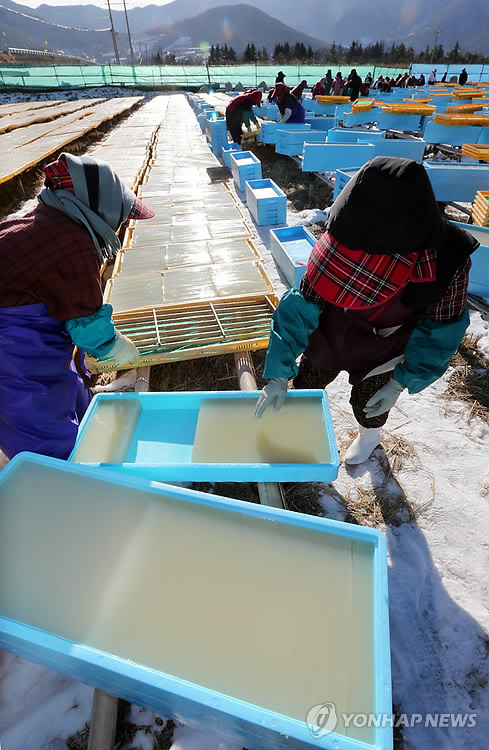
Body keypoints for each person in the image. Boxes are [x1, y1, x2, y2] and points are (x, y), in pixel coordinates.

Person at [254, 156, 477, 465]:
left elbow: (440, 332)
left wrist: (402, 381)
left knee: (371, 400)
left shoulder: (447, 262)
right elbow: (300, 306)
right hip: (333, 328)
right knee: (309, 378)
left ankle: (369, 436)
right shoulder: (347, 227)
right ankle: (297, 425)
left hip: (386, 343)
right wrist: (278, 373)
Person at [0, 152, 155, 460]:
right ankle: (65, 489)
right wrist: (116, 347)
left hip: (28, 335)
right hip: (12, 351)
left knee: (72, 391)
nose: (121, 223)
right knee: (48, 440)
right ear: (103, 206)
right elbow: (88, 329)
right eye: (121, 215)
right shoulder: (73, 242)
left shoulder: (49, 218)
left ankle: (86, 445)